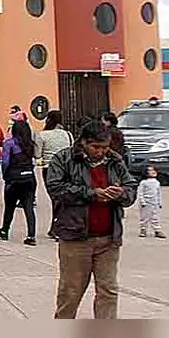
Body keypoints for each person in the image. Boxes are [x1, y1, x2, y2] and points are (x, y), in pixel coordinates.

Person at [46, 120, 137, 319]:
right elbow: (56, 189)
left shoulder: (115, 161)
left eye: (105, 147)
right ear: (84, 142)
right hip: (76, 238)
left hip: (108, 239)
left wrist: (120, 193)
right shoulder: (63, 160)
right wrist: (92, 194)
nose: (101, 151)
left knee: (108, 291)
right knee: (70, 292)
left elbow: (131, 188)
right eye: (96, 147)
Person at [0, 120, 38, 245]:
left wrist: (5, 176)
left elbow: (5, 161)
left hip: (14, 179)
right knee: (29, 207)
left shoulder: (9, 144)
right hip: (29, 178)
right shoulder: (30, 145)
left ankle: (5, 229)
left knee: (9, 206)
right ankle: (31, 236)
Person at [35, 110, 74, 239]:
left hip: (49, 168)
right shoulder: (68, 135)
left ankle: (57, 228)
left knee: (55, 199)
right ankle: (57, 226)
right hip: (66, 169)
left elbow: (37, 154)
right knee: (63, 198)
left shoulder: (42, 135)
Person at [137, 165, 165, 239]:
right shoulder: (143, 182)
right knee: (144, 217)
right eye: (150, 170)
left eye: (154, 170)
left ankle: (157, 230)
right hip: (146, 203)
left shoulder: (156, 182)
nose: (153, 172)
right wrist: (142, 201)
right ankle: (143, 229)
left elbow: (158, 193)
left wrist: (160, 202)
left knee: (155, 217)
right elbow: (140, 192)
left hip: (155, 203)